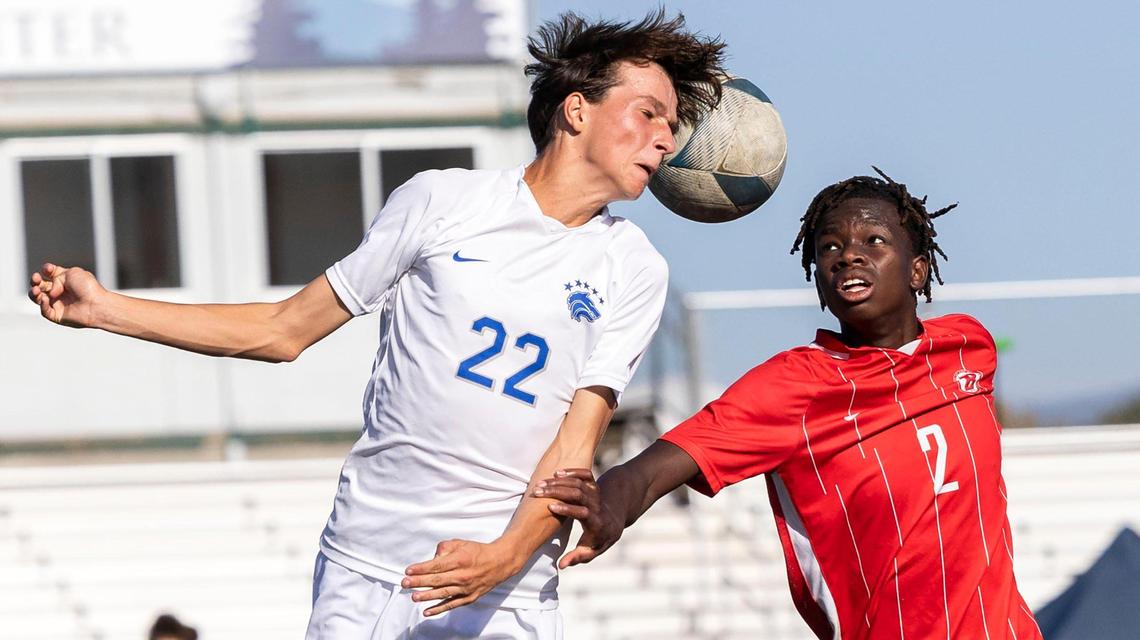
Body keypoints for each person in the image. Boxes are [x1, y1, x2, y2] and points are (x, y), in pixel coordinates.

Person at [27, 10, 726, 640]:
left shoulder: (634, 267)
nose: (666, 139)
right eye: (648, 113)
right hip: (367, 566)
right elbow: (282, 330)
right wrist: (104, 308)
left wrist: (502, 558)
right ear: (577, 111)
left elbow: (575, 450)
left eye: (670, 124)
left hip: (506, 585)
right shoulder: (440, 201)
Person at [532, 169, 1045, 639]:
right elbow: (653, 468)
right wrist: (612, 502)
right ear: (818, 279)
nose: (848, 255)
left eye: (874, 240)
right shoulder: (792, 386)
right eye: (828, 248)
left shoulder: (968, 345)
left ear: (918, 271)